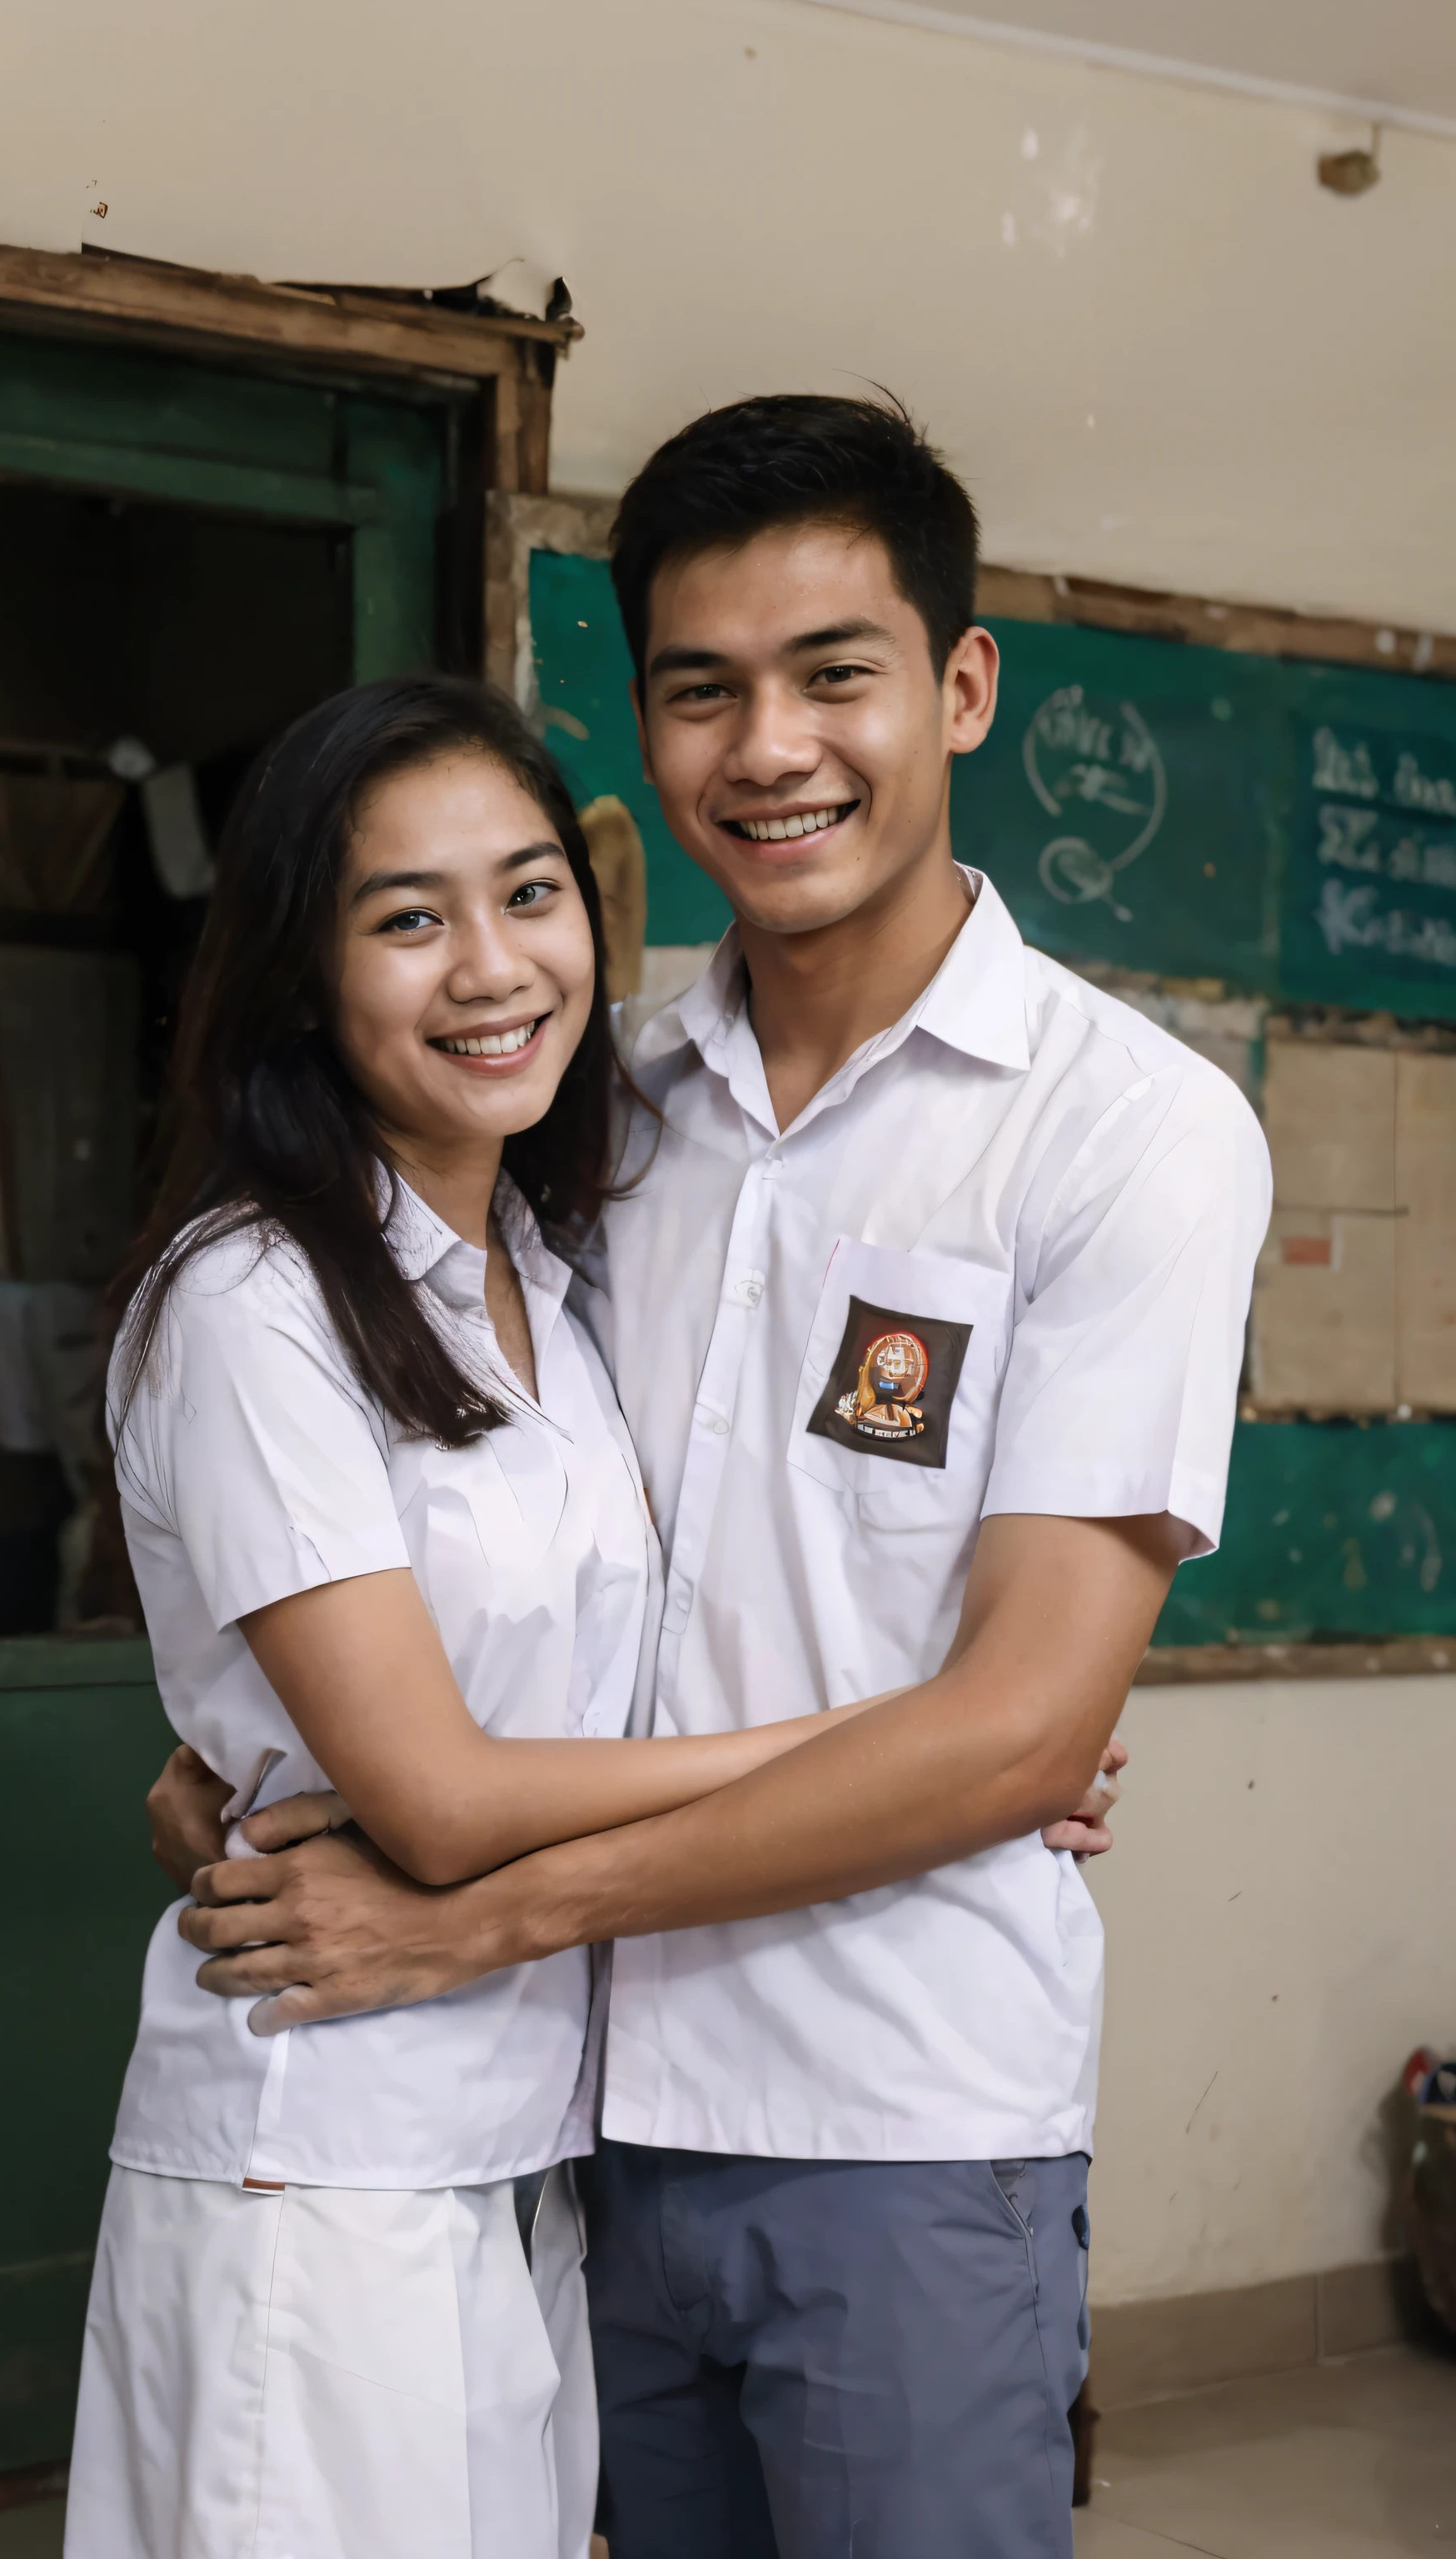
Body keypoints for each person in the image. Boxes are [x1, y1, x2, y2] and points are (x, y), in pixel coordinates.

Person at [156, 395, 1272, 2559]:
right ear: (641, 728)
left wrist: (477, 1904)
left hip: (897, 2121)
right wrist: (234, 1767)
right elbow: (422, 1551)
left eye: (834, 673)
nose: (769, 748)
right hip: (559, 2121)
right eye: (701, 690)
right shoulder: (590, 1116)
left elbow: (1024, 1720)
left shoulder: (1121, 1132)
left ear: (959, 688)